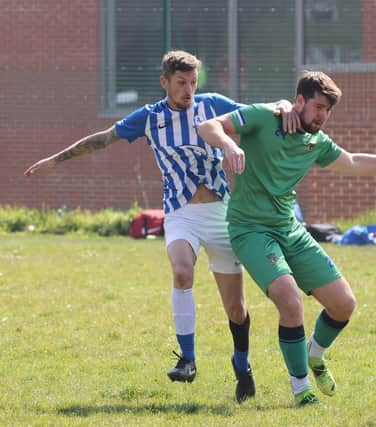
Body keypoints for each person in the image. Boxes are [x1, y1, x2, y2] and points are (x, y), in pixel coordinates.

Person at [23, 50, 299, 403]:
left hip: (220, 214)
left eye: (193, 83)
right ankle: (187, 360)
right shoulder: (149, 117)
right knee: (182, 273)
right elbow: (104, 139)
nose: (189, 90)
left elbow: (257, 114)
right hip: (179, 213)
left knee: (236, 308)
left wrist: (282, 104)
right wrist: (56, 159)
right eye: (181, 83)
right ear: (164, 82)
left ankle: (242, 365)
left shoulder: (212, 105)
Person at [197, 71, 376, 406]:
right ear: (299, 101)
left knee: (343, 303)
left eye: (328, 110)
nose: (322, 115)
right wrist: (231, 144)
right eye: (318, 106)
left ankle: (315, 355)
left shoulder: (315, 142)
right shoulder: (264, 116)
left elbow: (351, 162)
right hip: (251, 230)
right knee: (291, 302)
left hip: (290, 230)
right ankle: (301, 388)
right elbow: (208, 126)